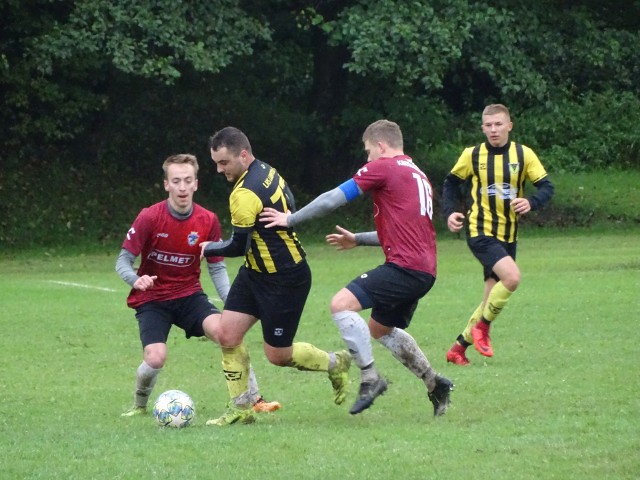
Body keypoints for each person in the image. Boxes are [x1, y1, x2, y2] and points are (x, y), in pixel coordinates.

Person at [261, 119, 454, 417]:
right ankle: (435, 383)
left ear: (381, 146)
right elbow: (404, 233)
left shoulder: (383, 167)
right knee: (380, 328)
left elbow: (331, 200)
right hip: (423, 269)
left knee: (341, 305)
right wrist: (358, 239)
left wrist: (291, 219)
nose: (367, 159)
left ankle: (370, 378)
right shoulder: (417, 174)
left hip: (405, 268)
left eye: (367, 151)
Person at [201, 127, 351, 426]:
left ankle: (337, 362)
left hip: (285, 278)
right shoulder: (266, 170)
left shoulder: (243, 193)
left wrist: (208, 247)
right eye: (216, 163)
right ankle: (240, 409)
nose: (219, 170)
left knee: (277, 356)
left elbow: (237, 246)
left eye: (224, 163)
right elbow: (291, 205)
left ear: (243, 155)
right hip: (255, 273)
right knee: (227, 335)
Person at [116, 153, 280, 417]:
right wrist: (136, 279)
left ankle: (254, 399)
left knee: (228, 333)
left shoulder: (208, 220)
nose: (182, 187)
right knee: (156, 358)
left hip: (189, 296)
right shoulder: (149, 217)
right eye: (176, 181)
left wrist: (231, 302)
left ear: (196, 184)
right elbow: (123, 261)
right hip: (153, 300)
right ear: (166, 184)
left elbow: (216, 266)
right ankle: (139, 405)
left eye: (187, 181)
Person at [441, 104, 555, 365]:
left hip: (508, 234)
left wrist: (531, 202)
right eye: (488, 125)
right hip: (479, 230)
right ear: (482, 128)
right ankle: (483, 329)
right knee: (512, 278)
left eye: (498, 124)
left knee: (490, 299)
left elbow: (546, 186)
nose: (493, 130)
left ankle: (457, 349)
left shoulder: (523, 154)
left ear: (509, 126)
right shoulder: (472, 155)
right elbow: (451, 182)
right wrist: (449, 212)